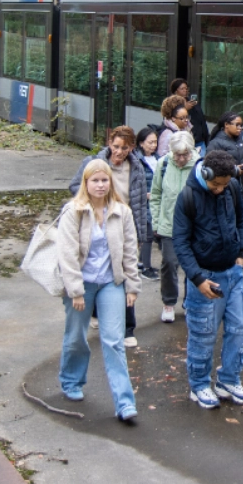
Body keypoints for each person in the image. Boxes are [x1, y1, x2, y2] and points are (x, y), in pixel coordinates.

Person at [56, 159, 141, 423]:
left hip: (110, 283)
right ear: (86, 183)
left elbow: (130, 250)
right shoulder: (73, 211)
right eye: (95, 180)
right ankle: (71, 381)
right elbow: (67, 254)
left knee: (114, 341)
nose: (101, 185)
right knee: (76, 336)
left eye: (105, 180)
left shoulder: (122, 212)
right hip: (81, 284)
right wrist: (75, 290)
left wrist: (132, 285)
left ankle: (125, 403)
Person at [173, 149, 243, 409]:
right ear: (205, 173)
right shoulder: (187, 198)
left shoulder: (230, 187)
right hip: (205, 278)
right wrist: (197, 279)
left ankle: (228, 380)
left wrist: (242, 252)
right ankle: (198, 385)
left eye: (224, 184)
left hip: (233, 273)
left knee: (238, 329)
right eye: (215, 184)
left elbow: (242, 219)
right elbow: (181, 243)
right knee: (203, 335)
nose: (219, 189)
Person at [67, 126, 152, 348]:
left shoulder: (136, 169)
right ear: (109, 143)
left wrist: (141, 234)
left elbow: (140, 204)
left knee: (124, 275)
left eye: (124, 148)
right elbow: (75, 185)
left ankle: (127, 328)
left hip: (124, 228)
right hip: (96, 225)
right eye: (115, 146)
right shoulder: (93, 163)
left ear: (132, 147)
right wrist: (93, 198)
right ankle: (95, 312)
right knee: (97, 271)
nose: (119, 152)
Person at [150, 130, 200, 323]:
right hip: (168, 225)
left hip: (194, 227)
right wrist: (156, 220)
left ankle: (190, 302)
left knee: (192, 267)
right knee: (169, 263)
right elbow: (155, 195)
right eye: (177, 155)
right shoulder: (163, 164)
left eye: (185, 155)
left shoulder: (198, 166)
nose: (180, 159)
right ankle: (168, 302)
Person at [208, 112, 243, 262]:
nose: (240, 128)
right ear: (226, 125)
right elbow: (212, 168)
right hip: (226, 190)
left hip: (242, 189)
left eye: (241, 125)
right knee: (230, 224)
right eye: (237, 125)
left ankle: (241, 254)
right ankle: (231, 256)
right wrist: (234, 170)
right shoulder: (216, 143)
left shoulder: (240, 140)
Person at [131, 127, 160, 280]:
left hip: (154, 202)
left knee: (148, 233)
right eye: (150, 142)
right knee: (147, 235)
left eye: (155, 142)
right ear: (141, 143)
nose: (153, 145)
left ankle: (142, 262)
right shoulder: (136, 161)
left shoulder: (157, 158)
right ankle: (145, 268)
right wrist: (145, 194)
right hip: (142, 202)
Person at [171, 77, 210, 147]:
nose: (185, 90)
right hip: (186, 141)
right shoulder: (172, 104)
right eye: (182, 89)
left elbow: (201, 119)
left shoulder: (191, 101)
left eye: (186, 88)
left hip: (200, 139)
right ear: (176, 91)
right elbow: (171, 120)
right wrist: (185, 108)